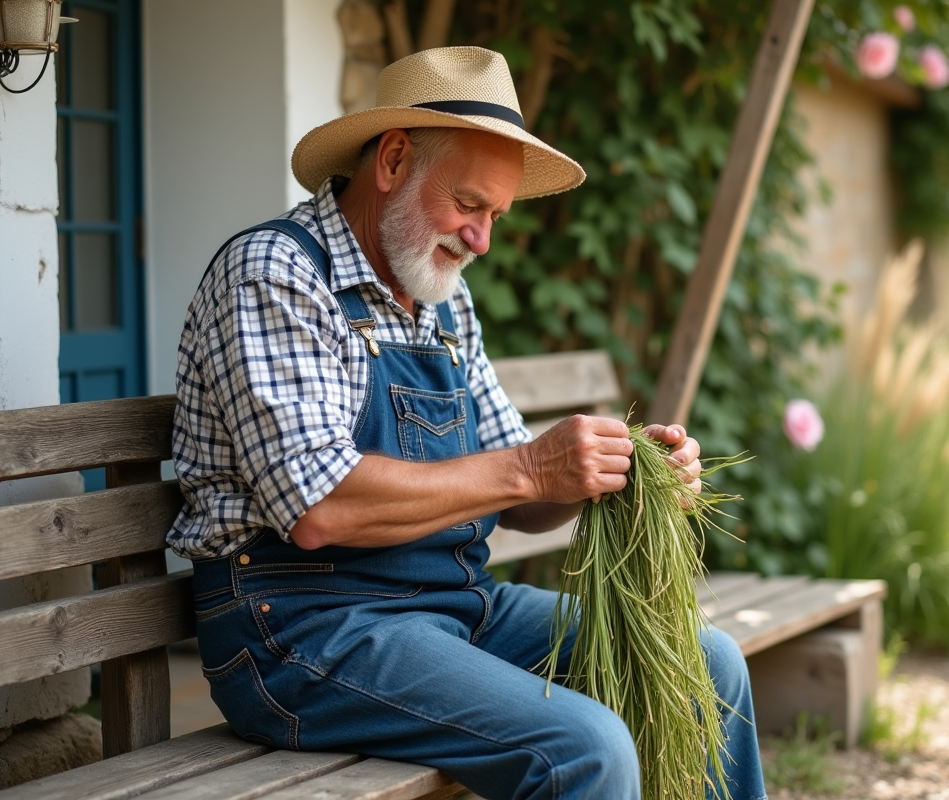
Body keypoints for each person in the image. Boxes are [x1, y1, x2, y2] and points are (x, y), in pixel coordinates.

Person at [167, 46, 766, 800]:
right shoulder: (275, 274)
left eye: (495, 216)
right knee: (586, 749)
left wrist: (607, 471)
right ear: (391, 161)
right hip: (301, 631)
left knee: (707, 666)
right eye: (470, 204)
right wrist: (530, 466)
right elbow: (321, 508)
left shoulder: (442, 300)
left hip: (453, 610)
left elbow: (522, 500)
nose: (481, 238)